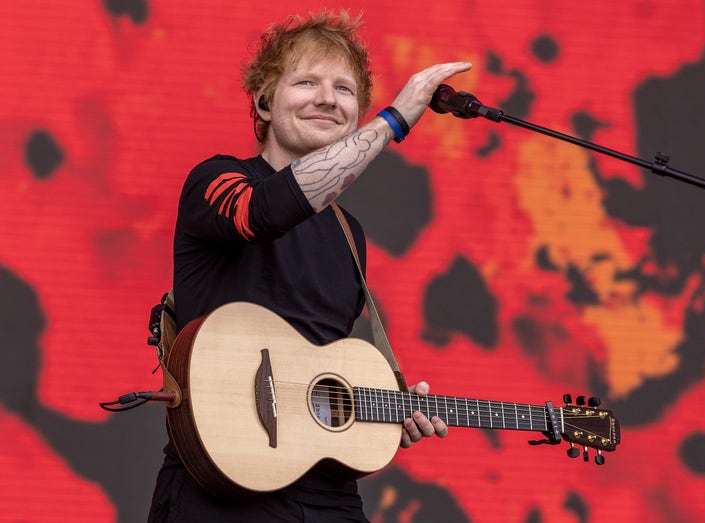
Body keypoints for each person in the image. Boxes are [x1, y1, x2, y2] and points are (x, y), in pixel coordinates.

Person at [147, 10, 472, 522]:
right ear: (263, 102)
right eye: (305, 82)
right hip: (221, 489)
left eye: (344, 90)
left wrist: (386, 415)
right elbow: (265, 213)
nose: (327, 98)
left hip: (329, 499)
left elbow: (316, 379)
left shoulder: (350, 235)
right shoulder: (216, 181)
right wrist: (393, 120)